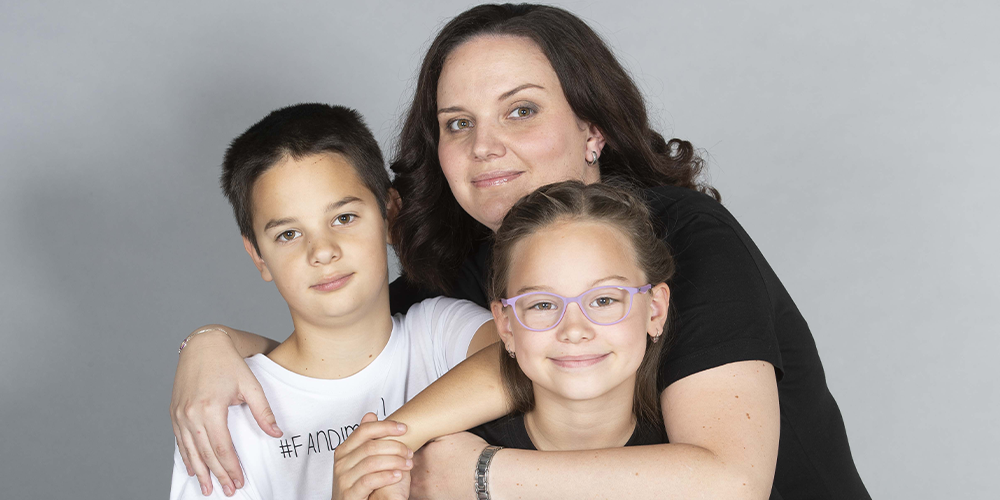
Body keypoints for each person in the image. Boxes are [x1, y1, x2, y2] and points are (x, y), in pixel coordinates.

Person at [171, 4, 870, 499]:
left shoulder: (685, 237)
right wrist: (214, 346)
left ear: (592, 128)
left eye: (521, 110)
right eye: (458, 123)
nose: (485, 146)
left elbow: (730, 480)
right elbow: (342, 344)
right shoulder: (458, 278)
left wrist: (478, 475)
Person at [168, 103, 495, 500]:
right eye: (288, 234)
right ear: (258, 256)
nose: (322, 251)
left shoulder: (439, 332)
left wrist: (385, 443)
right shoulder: (228, 411)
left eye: (344, 218)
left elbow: (522, 359)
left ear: (390, 214)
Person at [467, 181, 673, 456]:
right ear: (506, 326)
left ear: (655, 310)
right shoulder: (443, 465)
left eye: (604, 300)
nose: (574, 330)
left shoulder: (703, 464)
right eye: (542, 304)